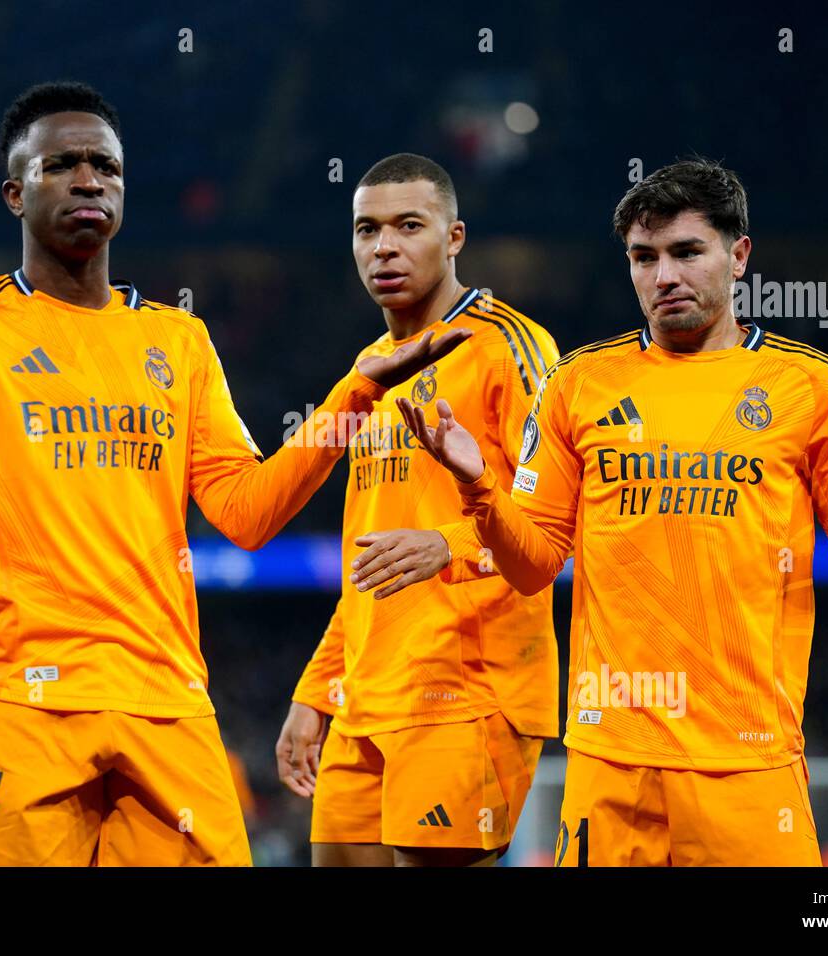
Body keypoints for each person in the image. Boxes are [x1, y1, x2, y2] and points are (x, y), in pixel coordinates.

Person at [0, 81, 467, 866]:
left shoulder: (180, 340)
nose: (89, 180)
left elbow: (246, 512)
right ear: (15, 194)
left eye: (106, 166)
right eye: (61, 166)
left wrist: (353, 396)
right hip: (21, 704)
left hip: (166, 702)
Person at [357, 157, 828, 865]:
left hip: (747, 764)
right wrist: (479, 489)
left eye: (687, 252)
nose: (664, 277)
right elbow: (532, 567)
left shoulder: (809, 385)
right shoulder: (578, 383)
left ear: (739, 255)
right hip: (609, 763)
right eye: (644, 257)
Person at [277, 154, 559, 866]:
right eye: (367, 229)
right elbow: (371, 559)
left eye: (409, 226)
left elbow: (557, 524)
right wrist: (319, 689)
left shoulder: (510, 347)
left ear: (454, 236)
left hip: (468, 693)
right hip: (366, 695)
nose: (384, 247)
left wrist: (449, 544)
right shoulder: (370, 371)